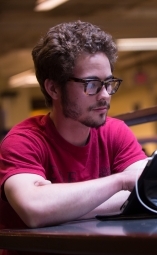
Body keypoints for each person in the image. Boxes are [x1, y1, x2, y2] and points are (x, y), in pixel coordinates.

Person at [0, 20, 148, 236]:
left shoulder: (115, 131)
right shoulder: (24, 141)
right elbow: (36, 210)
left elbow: (149, 191)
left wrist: (63, 208)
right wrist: (121, 182)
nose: (105, 94)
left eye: (108, 83)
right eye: (91, 84)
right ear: (53, 88)